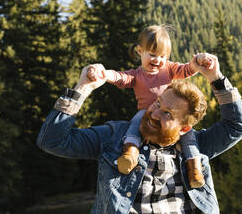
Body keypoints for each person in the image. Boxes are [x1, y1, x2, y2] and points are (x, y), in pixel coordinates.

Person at [37, 53, 242, 214]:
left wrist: (216, 77)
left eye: (167, 113)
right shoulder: (114, 137)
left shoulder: (198, 146)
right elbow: (52, 141)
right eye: (158, 103)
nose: (154, 114)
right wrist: (83, 88)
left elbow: (239, 125)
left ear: (184, 128)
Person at [87, 25, 212, 188]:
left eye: (163, 56)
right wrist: (105, 74)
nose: (157, 60)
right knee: (135, 124)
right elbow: (121, 77)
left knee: (188, 136)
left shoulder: (170, 69)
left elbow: (187, 69)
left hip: (170, 116)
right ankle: (130, 152)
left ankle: (193, 166)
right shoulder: (136, 75)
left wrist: (198, 62)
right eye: (152, 55)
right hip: (147, 113)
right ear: (140, 51)